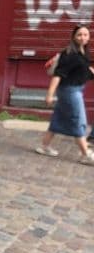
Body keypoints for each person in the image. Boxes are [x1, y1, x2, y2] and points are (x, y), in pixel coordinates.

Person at [35, 23, 94, 163]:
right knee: (78, 121)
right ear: (73, 37)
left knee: (58, 118)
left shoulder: (84, 51)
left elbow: (82, 71)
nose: (82, 37)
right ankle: (85, 154)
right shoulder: (70, 54)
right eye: (79, 34)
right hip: (70, 92)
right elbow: (58, 75)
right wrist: (49, 94)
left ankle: (44, 146)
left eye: (85, 34)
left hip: (75, 89)